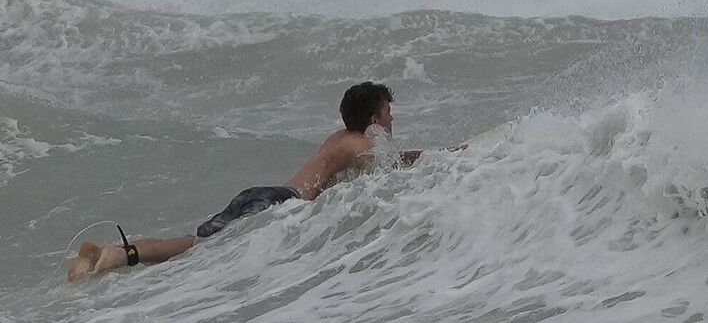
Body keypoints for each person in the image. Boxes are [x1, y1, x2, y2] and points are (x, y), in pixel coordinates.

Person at [67, 81, 452, 281]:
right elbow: (395, 166)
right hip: (279, 204)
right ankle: (114, 256)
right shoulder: (362, 144)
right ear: (372, 118)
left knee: (196, 243)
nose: (391, 119)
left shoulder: (338, 138)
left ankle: (117, 252)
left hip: (264, 194)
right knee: (196, 249)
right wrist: (449, 156)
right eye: (387, 111)